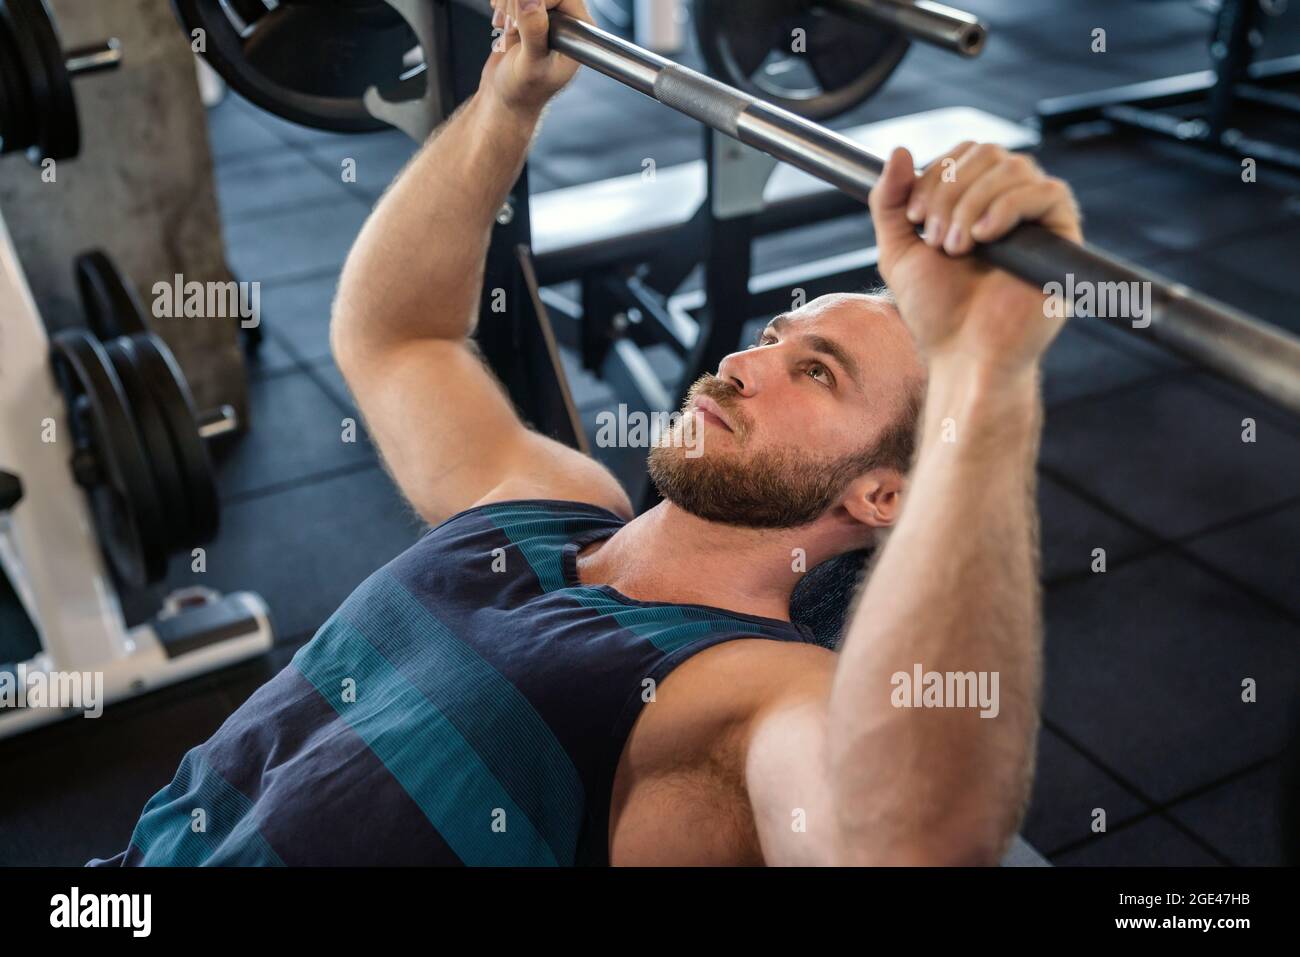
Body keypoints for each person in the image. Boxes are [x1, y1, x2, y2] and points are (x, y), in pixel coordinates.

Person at [91, 0, 1082, 867]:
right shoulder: (538, 502)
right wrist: (509, 103)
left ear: (881, 493)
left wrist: (985, 370)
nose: (743, 361)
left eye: (815, 372)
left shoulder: (747, 695)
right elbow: (396, 336)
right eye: (773, 337)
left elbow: (906, 846)